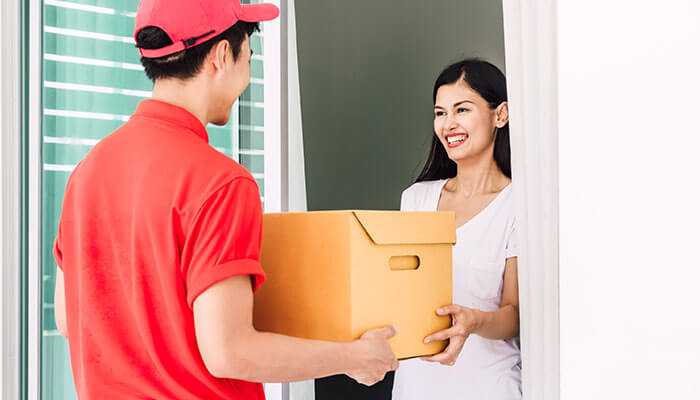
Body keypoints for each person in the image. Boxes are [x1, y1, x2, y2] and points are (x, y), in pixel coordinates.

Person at [52, 1, 396, 398]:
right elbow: (229, 351)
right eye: (249, 57)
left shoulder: (86, 172)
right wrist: (353, 357)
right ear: (220, 56)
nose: (248, 77)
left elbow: (67, 317)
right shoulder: (221, 182)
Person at [392, 58, 521, 399]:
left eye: (462, 110)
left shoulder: (517, 205)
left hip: (488, 387)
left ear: (500, 115)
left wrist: (473, 321)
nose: (448, 124)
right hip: (417, 385)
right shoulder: (415, 199)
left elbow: (515, 315)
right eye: (440, 113)